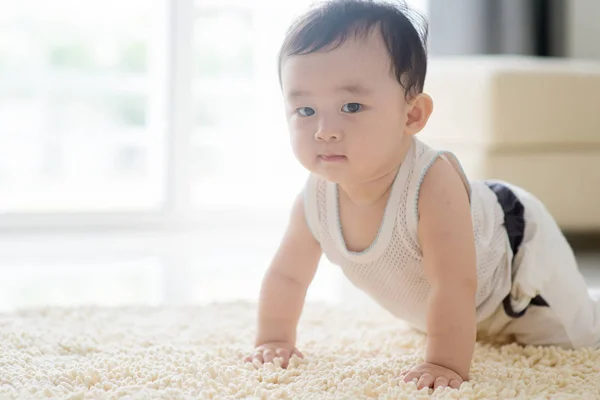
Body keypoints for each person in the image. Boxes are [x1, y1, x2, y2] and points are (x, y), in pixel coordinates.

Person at [244, 0, 600, 390]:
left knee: (578, 335)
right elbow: (287, 276)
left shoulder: (431, 183)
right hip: (454, 300)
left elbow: (455, 283)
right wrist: (273, 339)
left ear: (412, 115)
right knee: (447, 320)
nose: (324, 129)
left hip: (517, 257)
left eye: (351, 106)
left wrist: (444, 363)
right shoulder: (315, 199)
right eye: (305, 110)